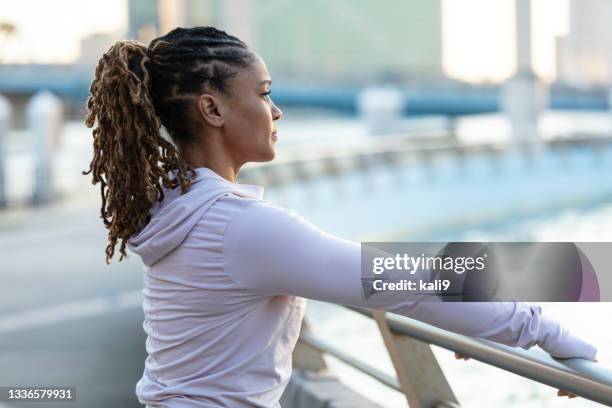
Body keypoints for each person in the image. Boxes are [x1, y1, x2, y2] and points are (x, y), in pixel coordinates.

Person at [83, 27, 596, 407]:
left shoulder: (176, 209)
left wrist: (474, 323)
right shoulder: (241, 228)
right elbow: (404, 282)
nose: (276, 110)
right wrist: (541, 329)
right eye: (263, 93)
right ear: (212, 110)